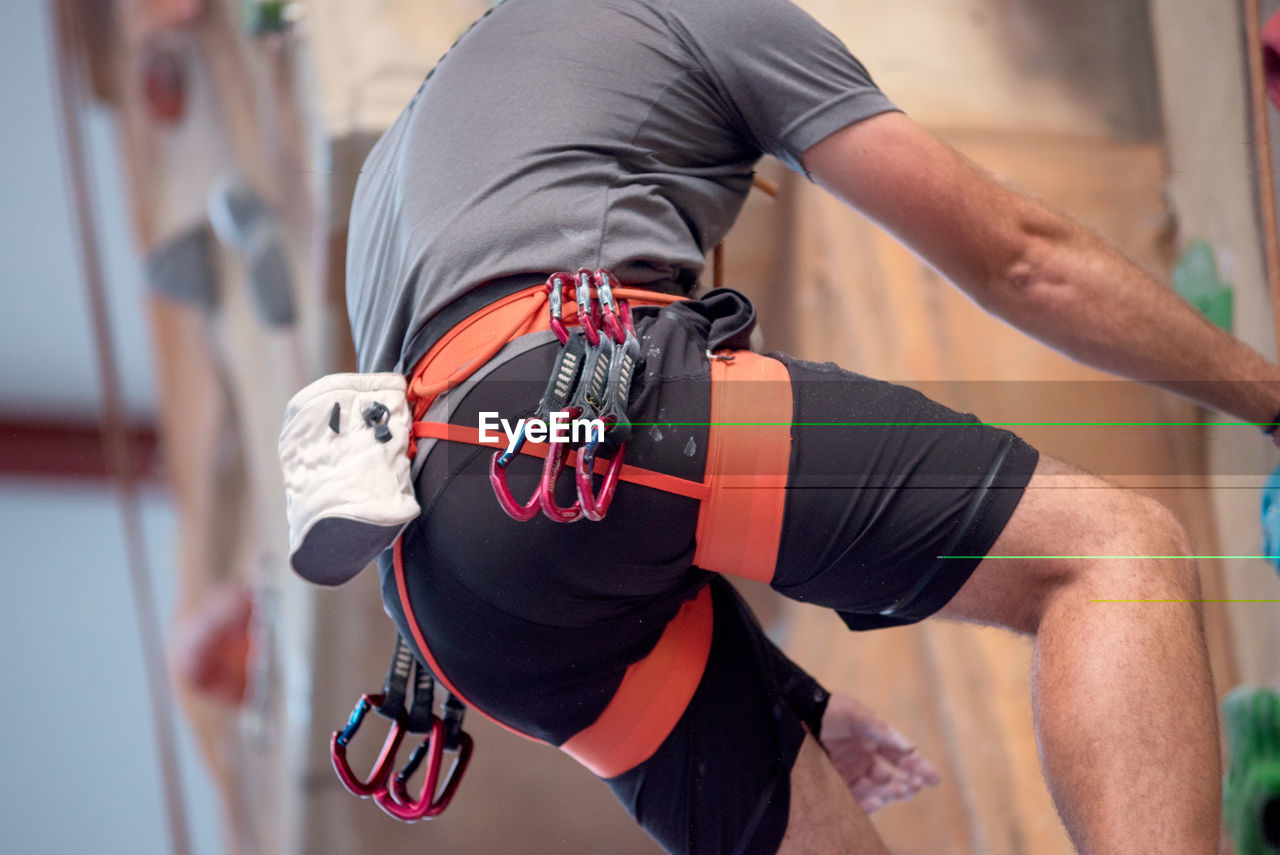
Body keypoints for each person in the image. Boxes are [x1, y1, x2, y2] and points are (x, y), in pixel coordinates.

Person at [339, 0, 1270, 851]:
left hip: (459, 614)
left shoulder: (411, 160)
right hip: (571, 414)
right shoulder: (700, 16)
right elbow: (1021, 260)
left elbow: (565, 520)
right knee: (1109, 554)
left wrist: (786, 699)